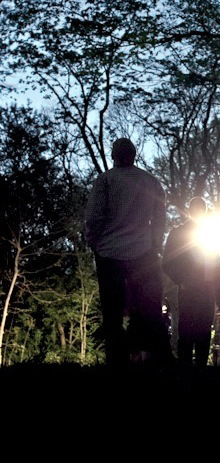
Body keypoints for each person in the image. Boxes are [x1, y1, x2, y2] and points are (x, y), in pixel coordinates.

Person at [85, 138, 173, 367]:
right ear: (134, 155)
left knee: (112, 313)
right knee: (149, 307)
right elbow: (160, 219)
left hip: (110, 254)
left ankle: (117, 361)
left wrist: (94, 242)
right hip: (143, 253)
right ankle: (159, 358)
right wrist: (155, 244)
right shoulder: (151, 181)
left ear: (114, 155)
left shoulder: (105, 180)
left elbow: (94, 217)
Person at [162, 196, 216, 366]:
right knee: (192, 328)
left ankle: (192, 368)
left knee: (197, 327)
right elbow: (167, 263)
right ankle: (192, 367)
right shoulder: (207, 233)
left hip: (200, 288)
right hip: (193, 288)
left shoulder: (183, 233)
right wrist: (182, 281)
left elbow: (167, 262)